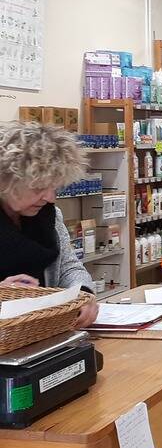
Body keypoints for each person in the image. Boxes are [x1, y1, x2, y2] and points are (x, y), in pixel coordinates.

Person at [0, 121, 99, 328]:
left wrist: (84, 294)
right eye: (39, 187)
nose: (50, 198)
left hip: (41, 334)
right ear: (6, 180)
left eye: (55, 187)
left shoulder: (49, 216)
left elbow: (69, 267)